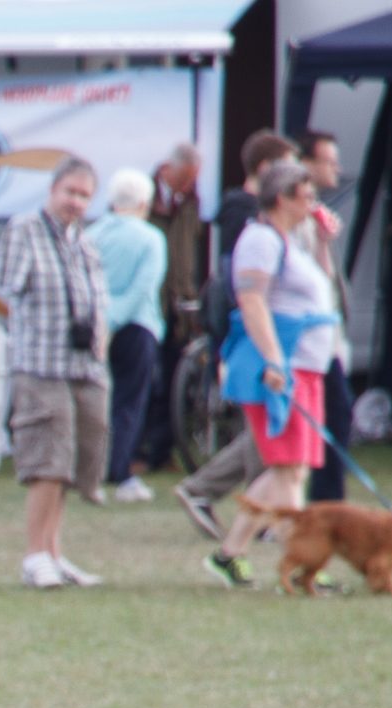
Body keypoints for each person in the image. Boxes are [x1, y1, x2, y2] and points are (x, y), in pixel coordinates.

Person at [206, 159, 343, 587]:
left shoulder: (291, 239)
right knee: (288, 469)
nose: (313, 203)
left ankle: (229, 553)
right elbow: (252, 301)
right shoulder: (261, 240)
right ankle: (305, 563)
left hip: (306, 366)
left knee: (292, 467)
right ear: (282, 198)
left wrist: (323, 242)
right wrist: (272, 360)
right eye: (306, 196)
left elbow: (324, 288)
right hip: (281, 366)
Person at [175, 131, 298, 551]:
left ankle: (222, 497)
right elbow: (245, 289)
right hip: (251, 336)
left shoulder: (257, 219)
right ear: (267, 172)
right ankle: (238, 506)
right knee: (267, 432)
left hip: (264, 336)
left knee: (269, 432)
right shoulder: (248, 220)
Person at [0, 156, 112, 588]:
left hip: (84, 366)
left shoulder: (85, 241)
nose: (76, 202)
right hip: (41, 364)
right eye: (70, 192)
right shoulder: (25, 229)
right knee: (47, 461)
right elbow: (7, 284)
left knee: (71, 462)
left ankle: (55, 552)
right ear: (52, 190)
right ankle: (34, 554)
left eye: (84, 195)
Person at [89, 168, 169, 502]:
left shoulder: (92, 234)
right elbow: (144, 287)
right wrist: (118, 318)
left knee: (94, 400)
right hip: (136, 325)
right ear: (143, 202)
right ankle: (119, 471)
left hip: (94, 325)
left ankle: (92, 469)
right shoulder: (151, 237)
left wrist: (104, 321)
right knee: (129, 401)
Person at [135, 143, 204, 473]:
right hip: (148, 307)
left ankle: (161, 453)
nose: (189, 185)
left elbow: (189, 249)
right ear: (166, 170)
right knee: (143, 383)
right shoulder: (142, 202)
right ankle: (135, 451)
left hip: (179, 311)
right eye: (186, 178)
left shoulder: (190, 203)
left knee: (173, 384)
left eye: (193, 179)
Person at [295, 129, 352, 504]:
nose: (338, 168)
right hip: (308, 340)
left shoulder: (317, 218)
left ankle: (328, 501)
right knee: (333, 415)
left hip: (326, 337)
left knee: (335, 415)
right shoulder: (294, 220)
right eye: (329, 160)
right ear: (307, 165)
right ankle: (326, 504)